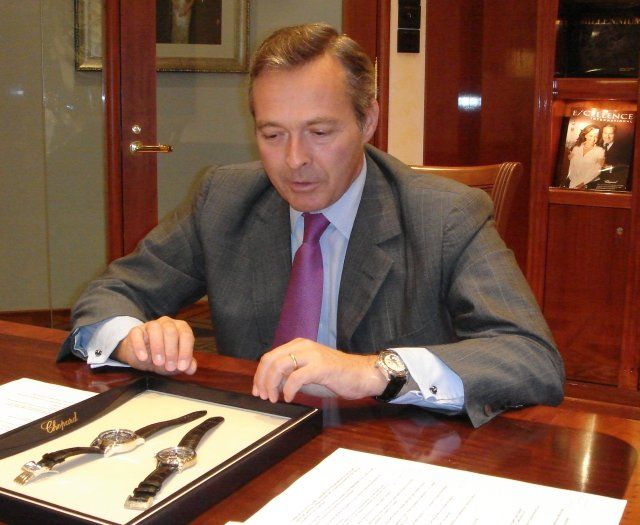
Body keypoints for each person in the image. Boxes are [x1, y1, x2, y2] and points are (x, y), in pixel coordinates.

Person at [58, 23, 564, 427]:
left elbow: (530, 358)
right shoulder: (225, 198)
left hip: (391, 452)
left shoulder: (445, 215)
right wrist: (132, 338)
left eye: (319, 132)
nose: (295, 159)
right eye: (272, 134)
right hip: (254, 436)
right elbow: (112, 293)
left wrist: (376, 370)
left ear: (368, 121)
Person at [565, 124, 605, 189]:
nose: (593, 139)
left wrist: (583, 183)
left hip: (589, 185)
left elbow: (597, 170)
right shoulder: (576, 148)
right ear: (586, 135)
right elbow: (572, 167)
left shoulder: (600, 151)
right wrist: (573, 181)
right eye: (591, 136)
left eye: (596, 136)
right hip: (573, 183)